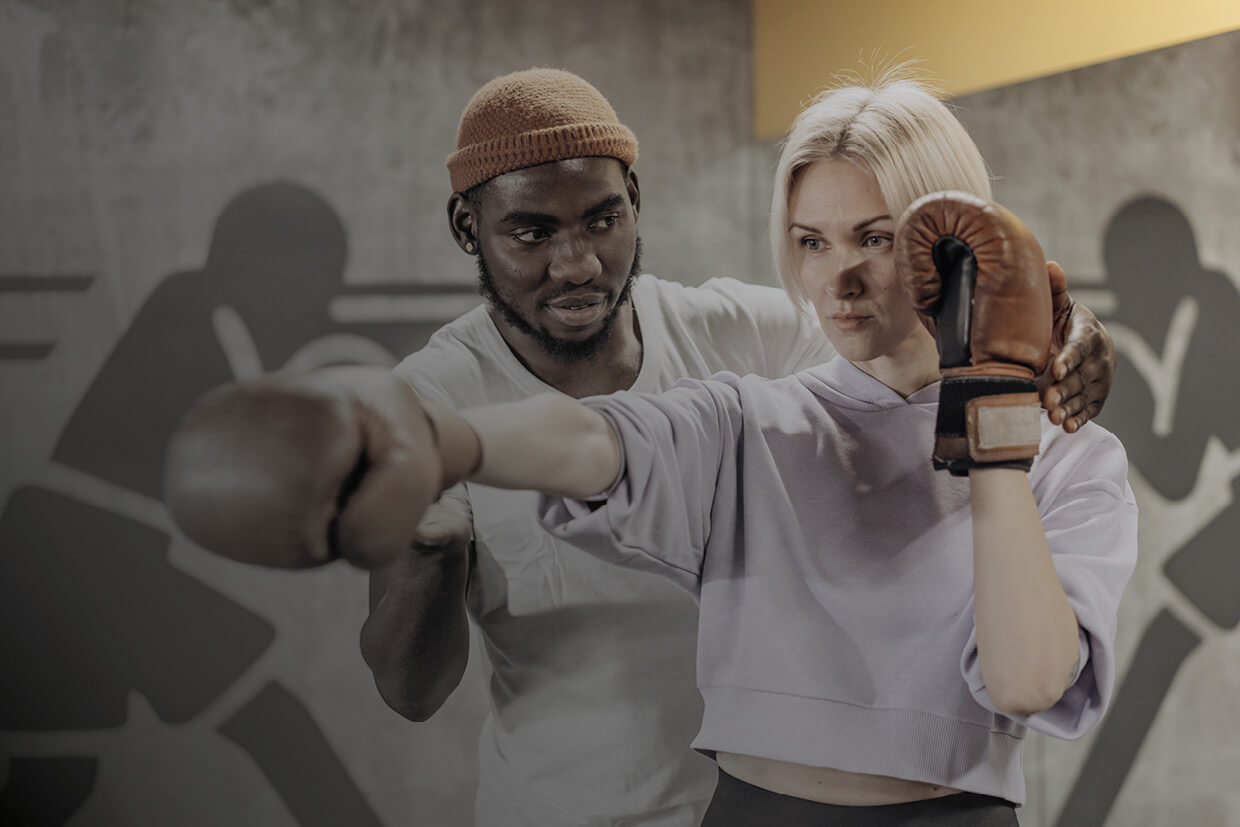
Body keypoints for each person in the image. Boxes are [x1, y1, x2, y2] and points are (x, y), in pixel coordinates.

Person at [163, 69, 1121, 826]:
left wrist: (1032, 353)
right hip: (584, 805)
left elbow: (893, 373)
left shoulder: (746, 334)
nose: (575, 262)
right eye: (812, 243)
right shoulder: (732, 412)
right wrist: (429, 442)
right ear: (472, 229)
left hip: (755, 797)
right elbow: (596, 441)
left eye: (602, 221)